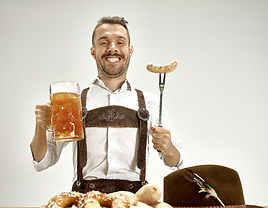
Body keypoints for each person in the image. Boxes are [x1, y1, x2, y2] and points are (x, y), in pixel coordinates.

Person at [30, 16, 183, 193]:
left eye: (120, 42)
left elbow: (175, 161)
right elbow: (43, 161)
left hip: (135, 202)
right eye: (104, 43)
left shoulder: (150, 102)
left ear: (130, 50)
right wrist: (40, 127)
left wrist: (169, 148)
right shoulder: (73, 102)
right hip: (86, 204)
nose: (112, 48)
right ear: (93, 51)